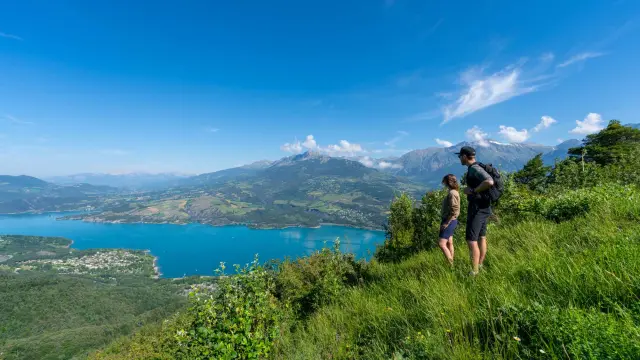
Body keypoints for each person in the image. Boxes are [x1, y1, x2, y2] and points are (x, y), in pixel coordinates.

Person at [455, 146, 494, 276]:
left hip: (477, 209)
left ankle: (474, 271)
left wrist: (472, 191)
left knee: (471, 240)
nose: (459, 158)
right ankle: (480, 265)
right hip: (485, 207)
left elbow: (489, 181)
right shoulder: (479, 166)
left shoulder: (474, 169)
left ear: (465, 156)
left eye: (460, 156)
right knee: (481, 237)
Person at [438, 174, 460, 266]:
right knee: (449, 242)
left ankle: (450, 265)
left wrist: (447, 222)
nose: (443, 184)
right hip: (452, 220)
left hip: (449, 220)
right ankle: (451, 262)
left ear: (447, 182)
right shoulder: (454, 192)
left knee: (441, 244)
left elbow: (454, 209)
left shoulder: (452, 193)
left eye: (444, 182)